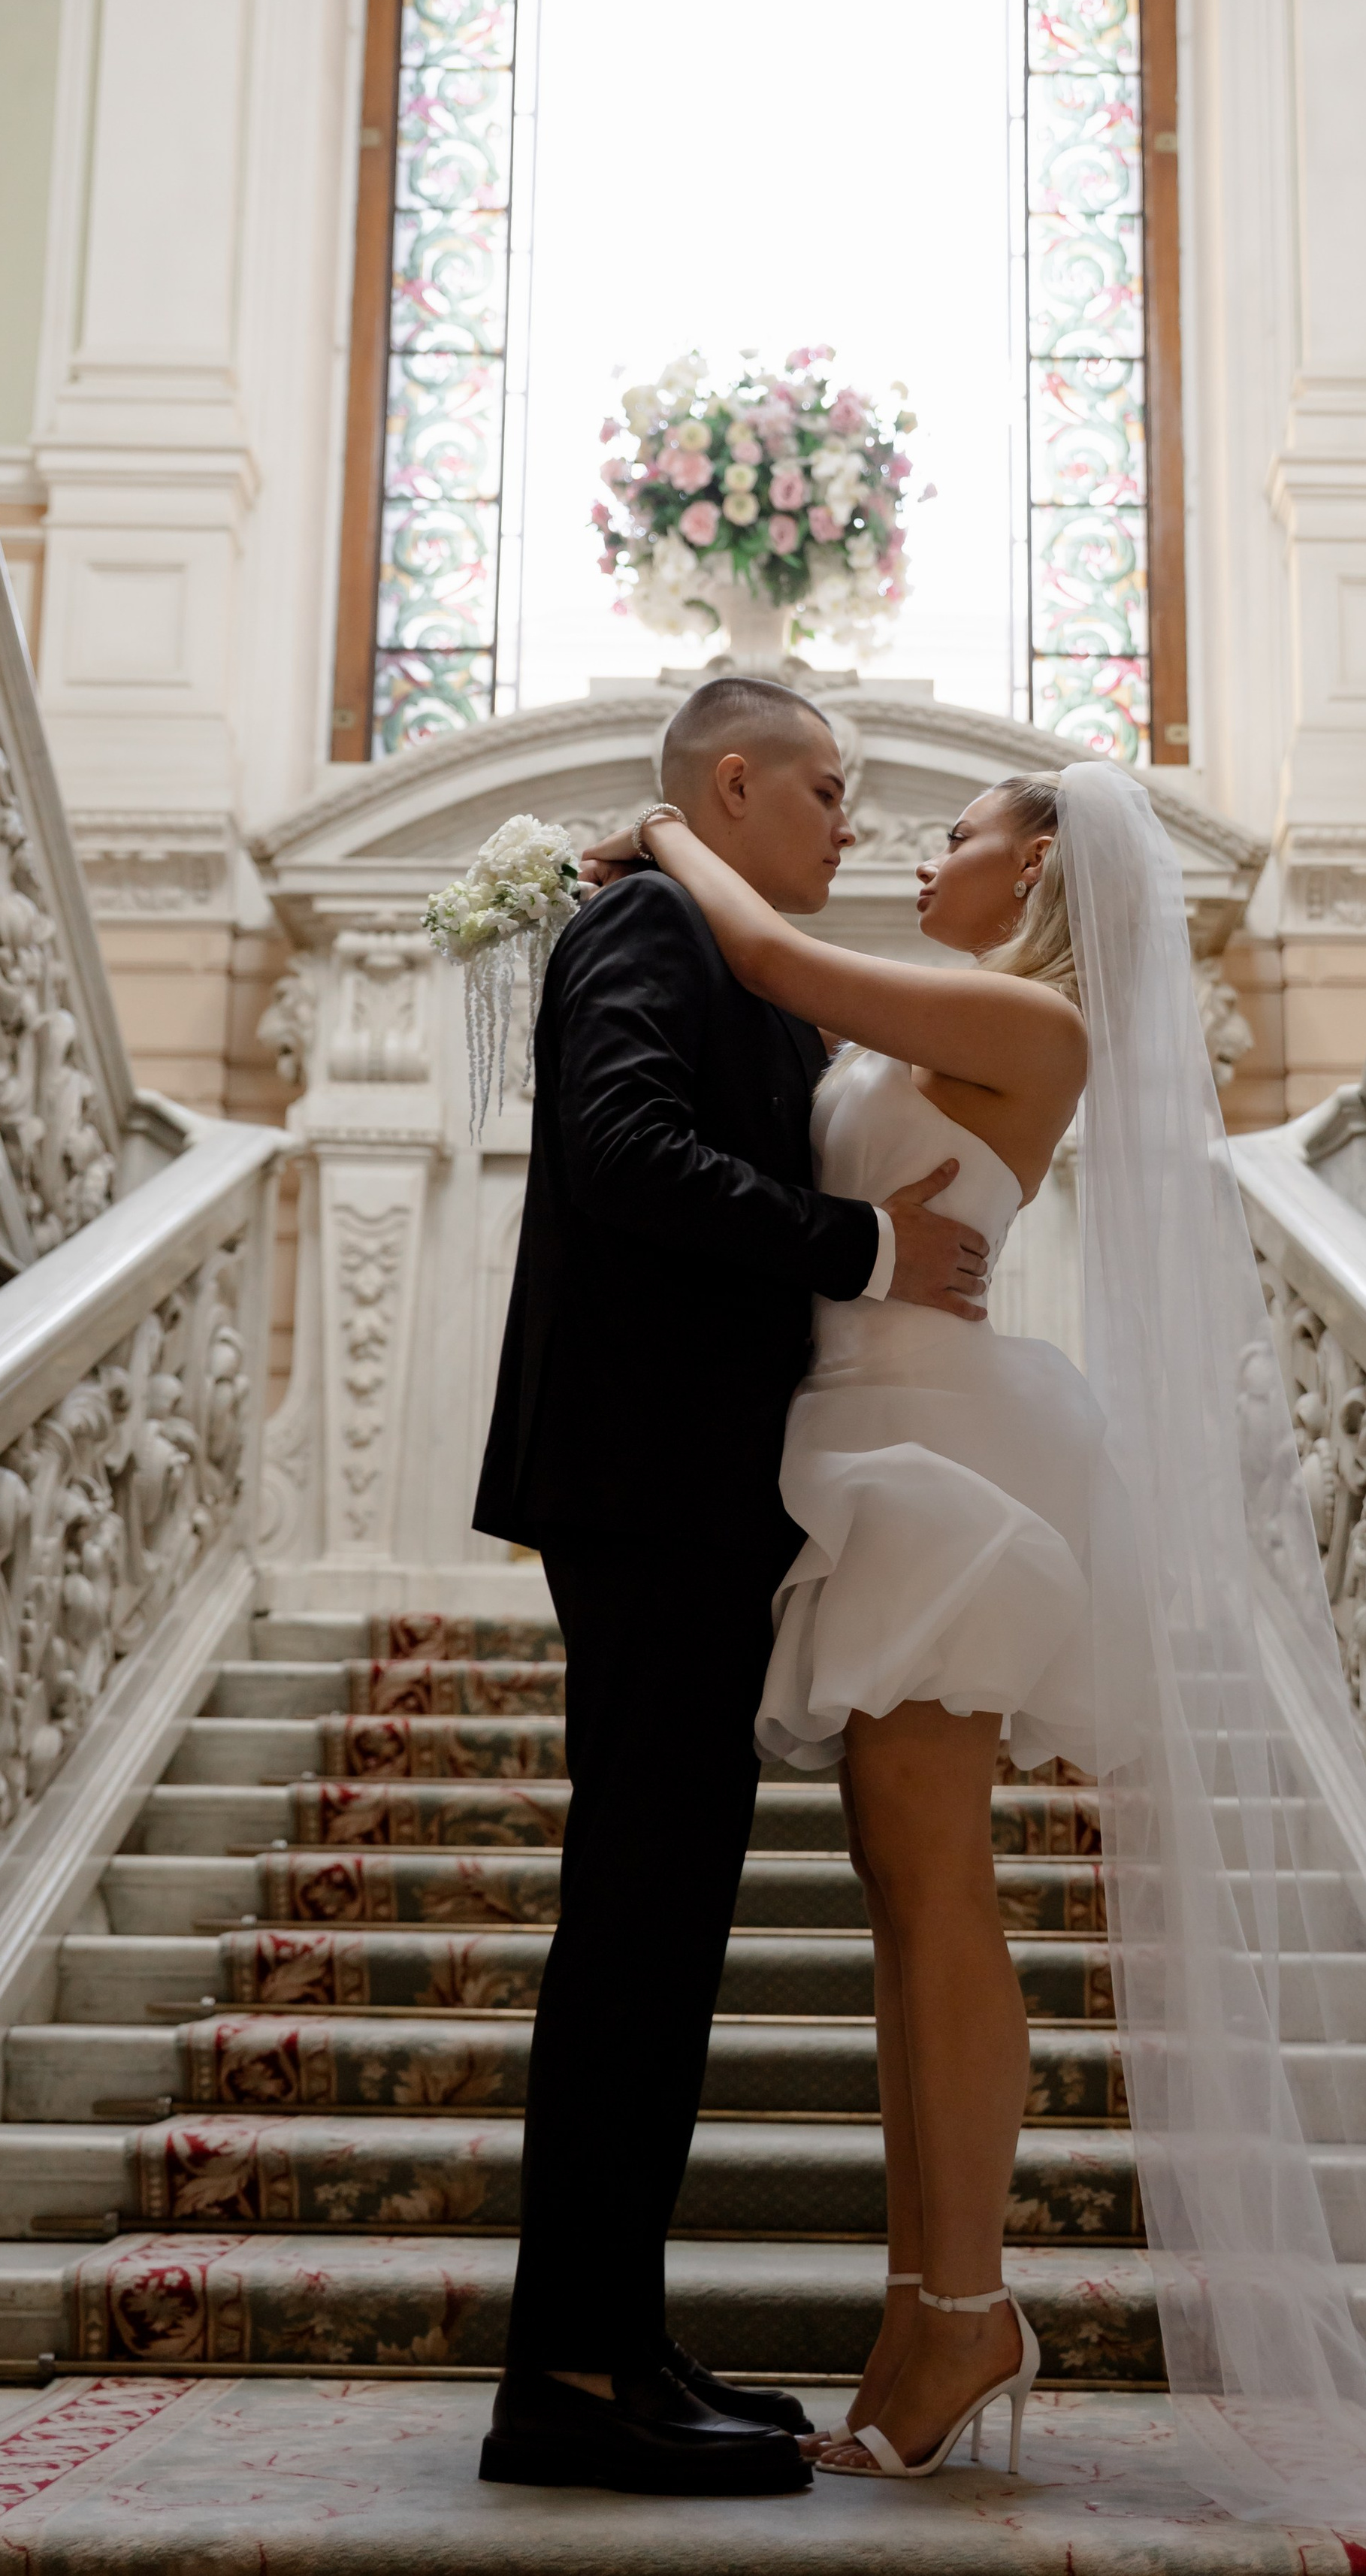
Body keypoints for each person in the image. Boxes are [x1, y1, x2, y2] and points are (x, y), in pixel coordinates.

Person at [582, 757, 1366, 2516]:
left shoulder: (1036, 1037)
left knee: (934, 1894)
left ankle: (960, 2312)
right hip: (867, 1435)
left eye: (957, 834)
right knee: (899, 1892)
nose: (924, 852)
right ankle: (929, 2308)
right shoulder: (945, 1021)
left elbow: (773, 965)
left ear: (1037, 874)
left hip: (938, 1466)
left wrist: (666, 839)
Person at [473, 675, 992, 2500]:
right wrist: (860, 1244)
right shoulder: (642, 918)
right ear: (735, 780)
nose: (851, 823)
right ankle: (566, 2381)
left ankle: (619, 2338)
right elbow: (620, 1151)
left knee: (666, 1927)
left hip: (695, 1498)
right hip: (640, 1486)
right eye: (830, 792)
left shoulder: (733, 945)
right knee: (632, 1927)